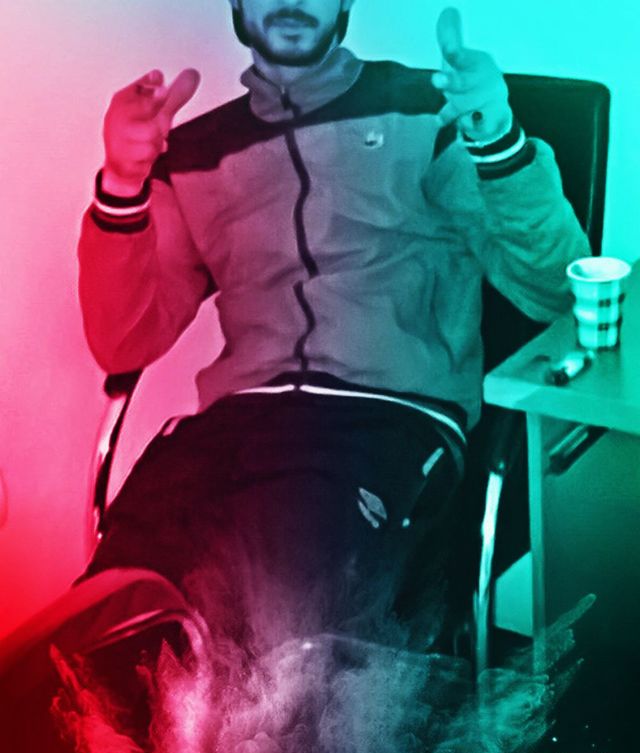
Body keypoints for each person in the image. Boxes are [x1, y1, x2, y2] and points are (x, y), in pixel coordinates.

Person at [78, 1, 589, 653]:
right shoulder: (196, 155)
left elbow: (553, 289)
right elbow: (124, 340)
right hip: (227, 433)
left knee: (280, 632)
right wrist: (123, 183)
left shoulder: (430, 114)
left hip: (386, 421)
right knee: (112, 617)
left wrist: (496, 138)